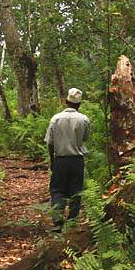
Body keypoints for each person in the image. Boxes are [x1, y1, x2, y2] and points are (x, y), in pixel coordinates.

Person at [44, 88, 90, 232]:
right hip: (77, 160)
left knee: (57, 190)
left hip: (60, 160)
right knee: (76, 191)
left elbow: (50, 142)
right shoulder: (84, 119)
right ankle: (72, 222)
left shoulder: (55, 119)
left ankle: (58, 222)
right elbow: (85, 138)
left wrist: (52, 161)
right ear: (79, 104)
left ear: (66, 101)